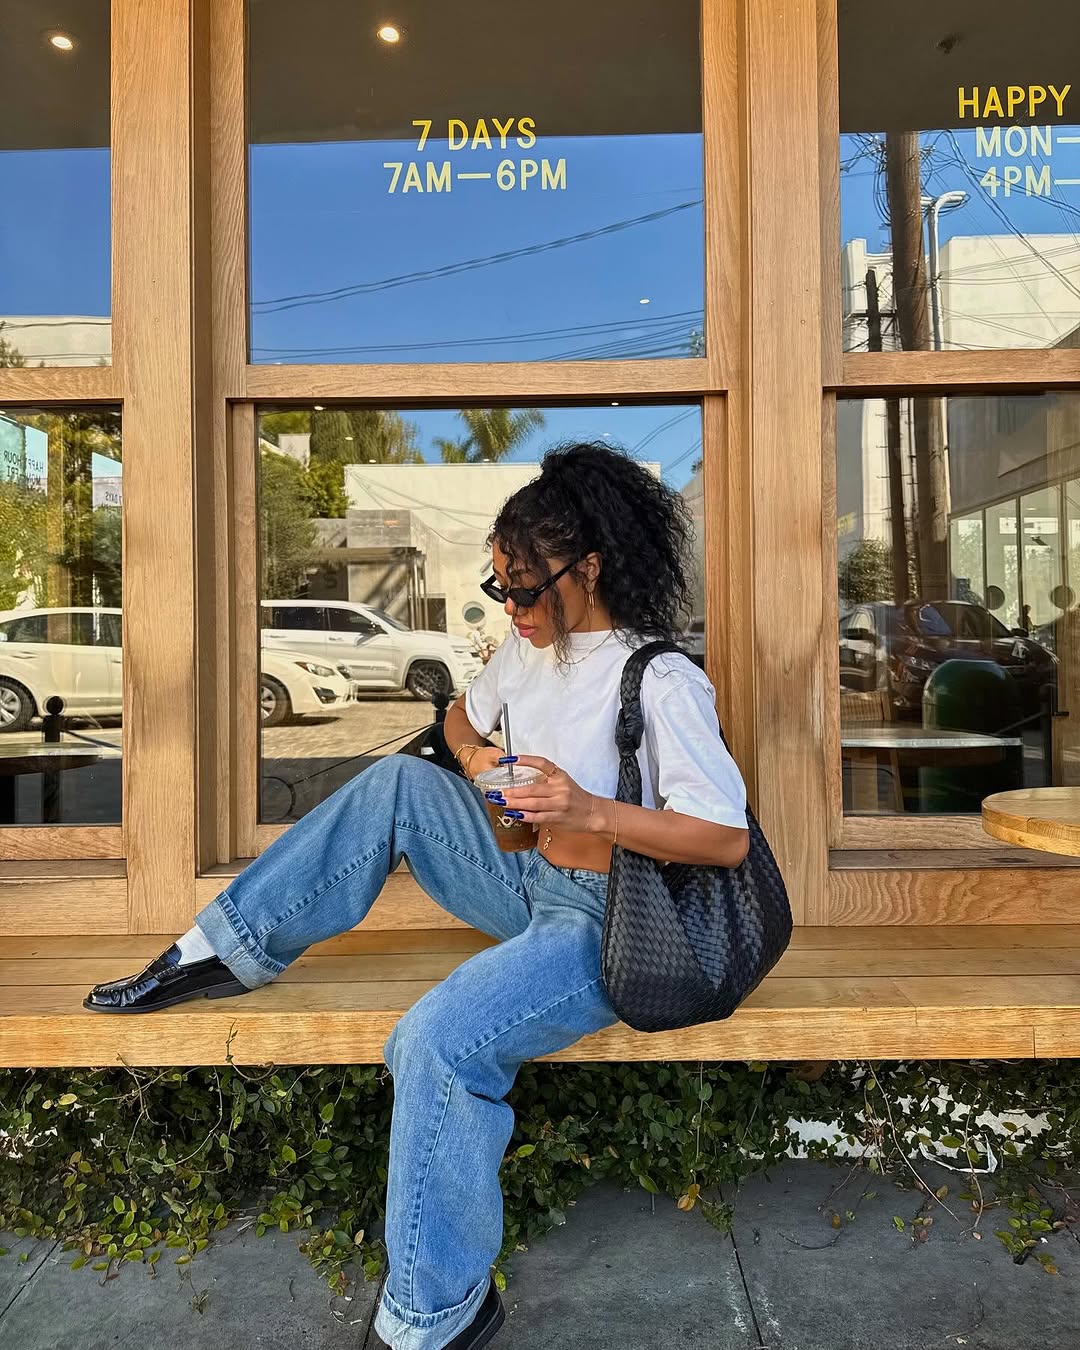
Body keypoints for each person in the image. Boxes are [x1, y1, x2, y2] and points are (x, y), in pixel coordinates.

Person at [83, 442, 750, 1350]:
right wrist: (481, 767)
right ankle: (221, 949)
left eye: (526, 586)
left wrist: (589, 805)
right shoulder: (527, 655)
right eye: (499, 586)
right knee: (397, 783)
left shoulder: (659, 678)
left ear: (590, 567)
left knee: (435, 1042)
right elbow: (456, 723)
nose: (510, 607)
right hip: (526, 877)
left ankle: (438, 1311)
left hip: (612, 924)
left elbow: (725, 838)